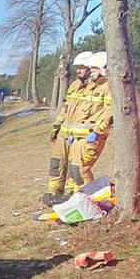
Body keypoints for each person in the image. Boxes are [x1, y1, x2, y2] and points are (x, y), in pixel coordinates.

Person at [44, 51, 94, 204]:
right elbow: (65, 109)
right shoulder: (74, 85)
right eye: (77, 68)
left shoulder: (99, 88)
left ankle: (75, 196)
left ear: (90, 68)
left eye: (81, 67)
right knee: (56, 164)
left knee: (76, 169)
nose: (78, 71)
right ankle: (54, 193)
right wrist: (56, 127)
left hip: (81, 137)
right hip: (65, 134)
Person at [75, 51, 114, 186]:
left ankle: (86, 195)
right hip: (84, 135)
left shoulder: (108, 87)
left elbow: (109, 113)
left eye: (94, 69)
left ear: (103, 69)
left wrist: (97, 132)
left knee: (83, 168)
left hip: (95, 136)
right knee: (75, 167)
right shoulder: (93, 86)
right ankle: (76, 195)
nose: (91, 72)